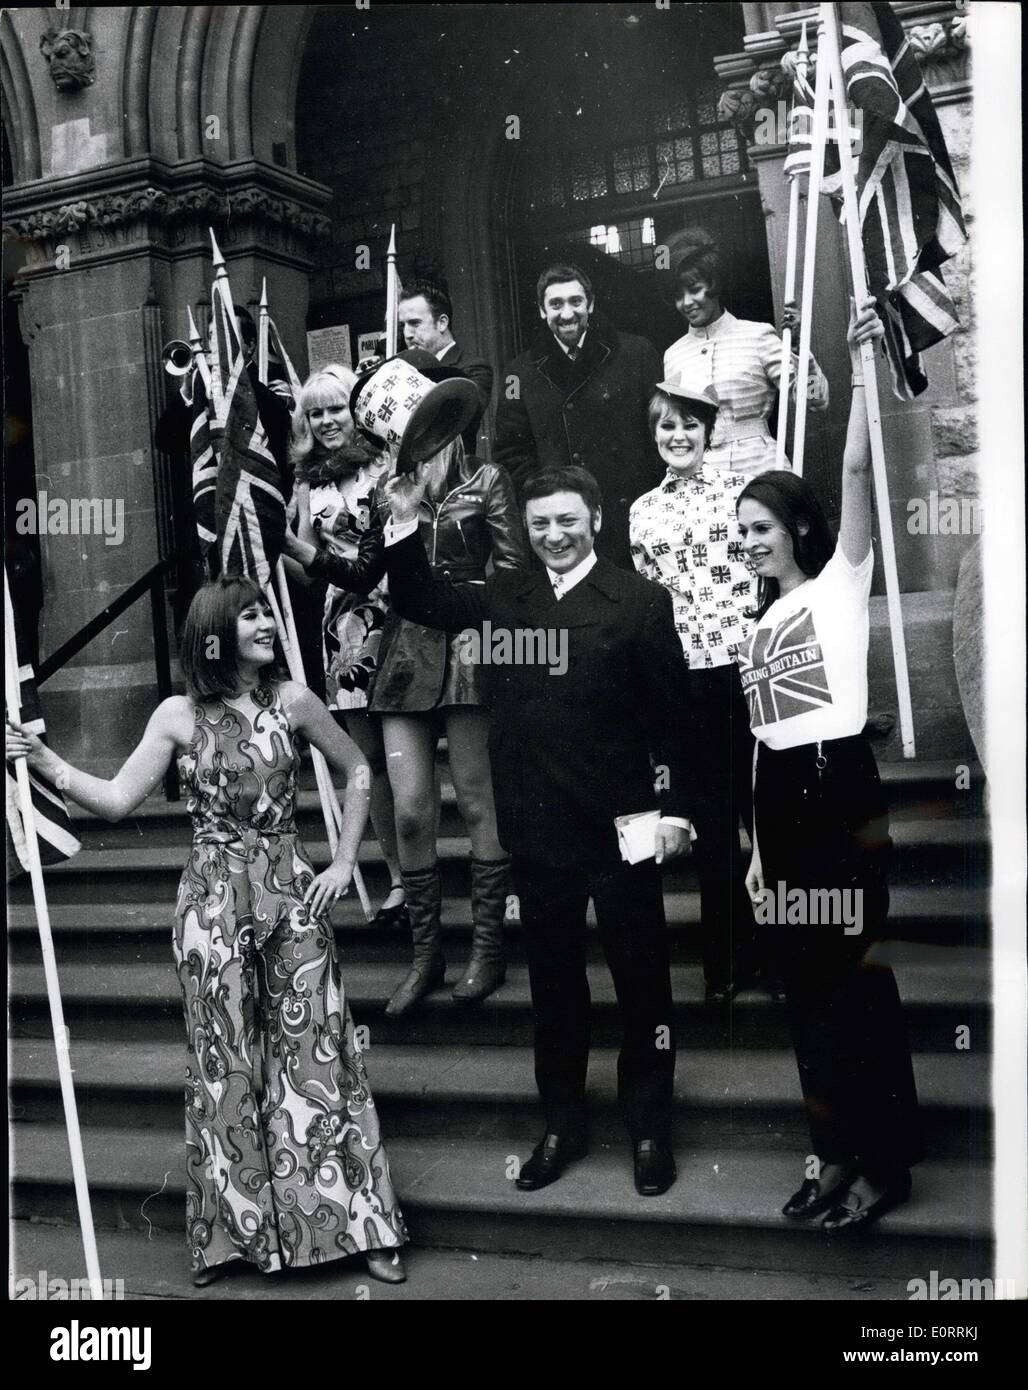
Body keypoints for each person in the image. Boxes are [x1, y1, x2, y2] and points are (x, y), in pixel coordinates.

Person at [6, 576, 408, 1286]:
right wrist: (46, 764)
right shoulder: (174, 715)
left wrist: (345, 860)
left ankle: (361, 1226)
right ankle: (235, 1236)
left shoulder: (295, 700)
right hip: (212, 904)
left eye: (265, 611)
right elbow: (115, 801)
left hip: (291, 892)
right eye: (249, 614)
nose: (265, 623)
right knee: (225, 1065)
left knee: (318, 1056)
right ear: (215, 630)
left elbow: (358, 767)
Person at [381, 463, 692, 1197]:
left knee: (643, 985)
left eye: (568, 520)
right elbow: (419, 595)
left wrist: (677, 810)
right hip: (538, 825)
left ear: (596, 519)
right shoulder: (503, 596)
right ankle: (562, 1125)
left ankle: (649, 1129)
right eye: (541, 523)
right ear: (526, 528)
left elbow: (676, 719)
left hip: (625, 826)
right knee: (555, 989)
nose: (555, 534)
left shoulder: (639, 601)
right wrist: (401, 519)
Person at [737, 301, 923, 1233]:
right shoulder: (761, 622)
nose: (752, 540)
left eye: (762, 526)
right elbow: (761, 733)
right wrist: (758, 848)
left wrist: (857, 371)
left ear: (798, 529)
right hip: (780, 799)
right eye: (744, 530)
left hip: (838, 786)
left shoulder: (842, 585)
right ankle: (834, 1151)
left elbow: (855, 466)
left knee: (854, 979)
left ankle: (884, 1162)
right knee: (806, 993)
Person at [286, 348, 529, 1012]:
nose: (409, 435)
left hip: (471, 650)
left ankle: (486, 950)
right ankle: (427, 956)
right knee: (415, 805)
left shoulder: (486, 481)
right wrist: (295, 546)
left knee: (477, 799)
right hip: (403, 656)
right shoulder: (390, 485)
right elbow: (362, 574)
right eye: (396, 429)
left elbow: (511, 573)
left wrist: (465, 604)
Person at [630, 377, 779, 1007]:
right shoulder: (643, 510)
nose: (678, 436)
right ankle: (725, 963)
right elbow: (647, 596)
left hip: (746, 666)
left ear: (708, 430)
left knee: (764, 816)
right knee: (712, 820)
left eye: (689, 425)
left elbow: (764, 569)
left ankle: (778, 955)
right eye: (667, 426)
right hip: (687, 674)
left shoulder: (739, 494)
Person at [284, 362, 408, 928]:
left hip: (402, 613)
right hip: (345, 628)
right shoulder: (308, 483)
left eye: (336, 408)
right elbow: (309, 572)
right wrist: (276, 539)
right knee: (369, 760)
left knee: (409, 750)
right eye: (316, 412)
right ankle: (400, 879)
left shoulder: (385, 462)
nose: (328, 419)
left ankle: (423, 867)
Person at [493, 263, 662, 568]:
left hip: (633, 517)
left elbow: (658, 434)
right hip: (565, 528)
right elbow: (511, 454)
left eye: (575, 301)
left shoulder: (636, 353)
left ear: (591, 304)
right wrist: (548, 504)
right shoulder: (518, 374)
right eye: (555, 304)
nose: (567, 313)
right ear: (543, 311)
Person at [662, 229, 829, 479]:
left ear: (714, 284)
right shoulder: (673, 356)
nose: (686, 303)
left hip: (762, 469)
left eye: (694, 289)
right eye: (677, 296)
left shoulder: (757, 336)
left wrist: (799, 350)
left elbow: (815, 401)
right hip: (700, 478)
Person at [398, 280, 493, 454]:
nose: (407, 334)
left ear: (442, 323)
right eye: (402, 325)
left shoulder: (474, 367)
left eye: (415, 323)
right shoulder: (404, 368)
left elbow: (466, 415)